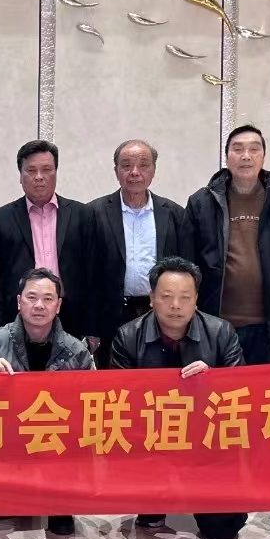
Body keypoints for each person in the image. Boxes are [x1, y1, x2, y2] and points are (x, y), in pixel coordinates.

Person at [110, 257, 248, 539]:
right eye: (166, 296)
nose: (175, 305)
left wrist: (212, 381)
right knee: (149, 518)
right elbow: (119, 402)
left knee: (222, 529)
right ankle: (155, 496)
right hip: (152, 440)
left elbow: (241, 395)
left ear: (196, 300)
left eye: (185, 297)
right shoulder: (127, 336)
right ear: (151, 299)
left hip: (207, 442)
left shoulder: (221, 333)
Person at [0, 266, 94, 536]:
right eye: (32, 297)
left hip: (56, 436)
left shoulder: (77, 350)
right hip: (10, 434)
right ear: (19, 301)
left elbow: (93, 403)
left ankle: (61, 502)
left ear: (58, 306)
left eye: (48, 299)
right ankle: (10, 491)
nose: (39, 305)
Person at [182, 125, 270, 365]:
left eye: (254, 149)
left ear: (263, 156)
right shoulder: (202, 202)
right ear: (226, 157)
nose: (246, 156)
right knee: (220, 387)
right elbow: (187, 266)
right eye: (238, 149)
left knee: (268, 387)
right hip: (216, 324)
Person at [0, 141, 95, 349]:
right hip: (18, 317)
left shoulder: (82, 215)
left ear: (56, 172)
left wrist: (93, 328)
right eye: (31, 170)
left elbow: (92, 274)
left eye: (46, 169)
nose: (39, 177)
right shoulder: (2, 217)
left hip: (71, 315)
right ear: (20, 175)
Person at [87, 139, 186, 369]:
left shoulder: (173, 213)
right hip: (112, 316)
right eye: (126, 165)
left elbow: (184, 270)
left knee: (159, 379)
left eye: (143, 165)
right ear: (116, 171)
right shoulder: (94, 213)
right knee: (115, 383)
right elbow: (88, 275)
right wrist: (91, 327)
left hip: (160, 313)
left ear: (153, 170)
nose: (134, 172)